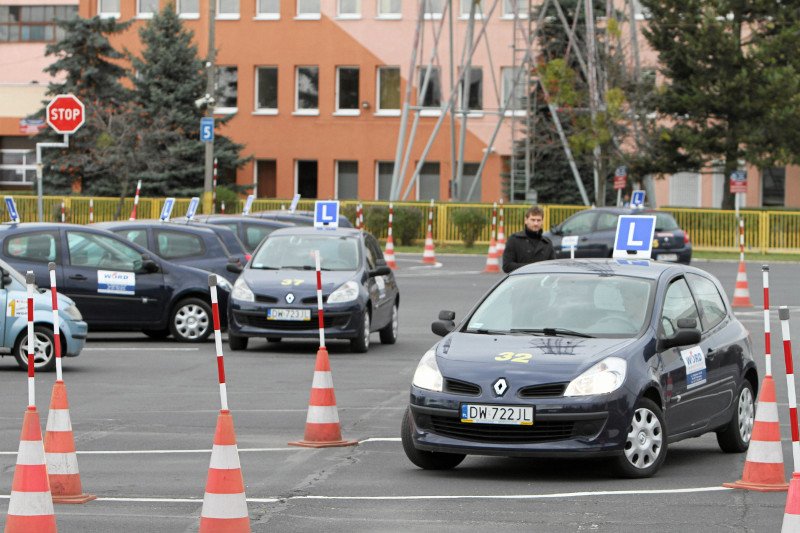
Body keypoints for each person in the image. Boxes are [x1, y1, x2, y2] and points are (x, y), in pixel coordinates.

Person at [502, 206, 555, 273]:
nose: (536, 223)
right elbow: (507, 266)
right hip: (519, 282)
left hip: (541, 282)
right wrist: (533, 267)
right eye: (533, 220)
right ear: (526, 220)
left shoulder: (547, 243)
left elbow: (553, 267)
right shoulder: (514, 240)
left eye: (538, 220)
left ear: (542, 222)